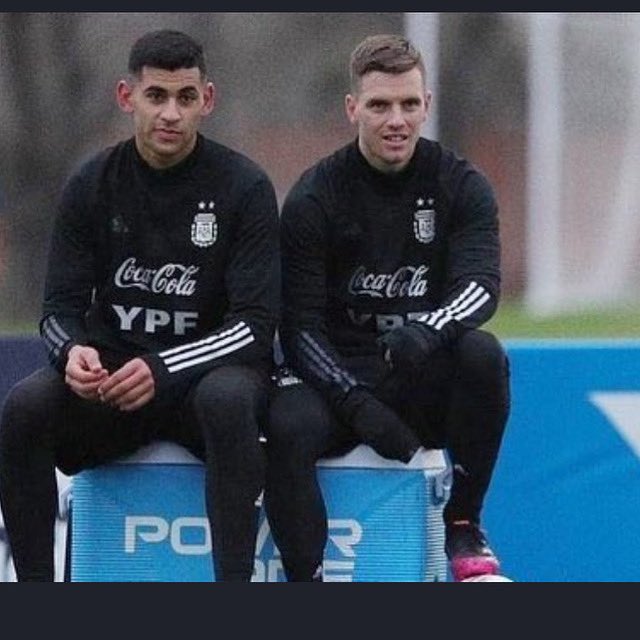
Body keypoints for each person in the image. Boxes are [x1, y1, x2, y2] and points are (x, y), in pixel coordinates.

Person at [0, 29, 280, 582]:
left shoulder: (244, 187)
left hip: (203, 382)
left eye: (185, 97)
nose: (170, 113)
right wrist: (72, 353)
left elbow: (254, 326)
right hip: (116, 386)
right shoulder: (91, 183)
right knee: (23, 410)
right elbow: (58, 311)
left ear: (207, 100)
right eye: (156, 96)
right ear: (127, 97)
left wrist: (164, 367)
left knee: (229, 400)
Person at [264, 33, 511, 582]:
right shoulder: (314, 196)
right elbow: (298, 327)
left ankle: (463, 522)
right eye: (379, 105)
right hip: (334, 377)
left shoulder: (462, 185)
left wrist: (427, 330)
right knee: (288, 424)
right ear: (352, 108)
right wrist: (355, 403)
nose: (396, 120)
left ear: (427, 105)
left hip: (414, 369)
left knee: (483, 355)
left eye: (408, 104)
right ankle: (304, 577)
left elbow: (480, 288)